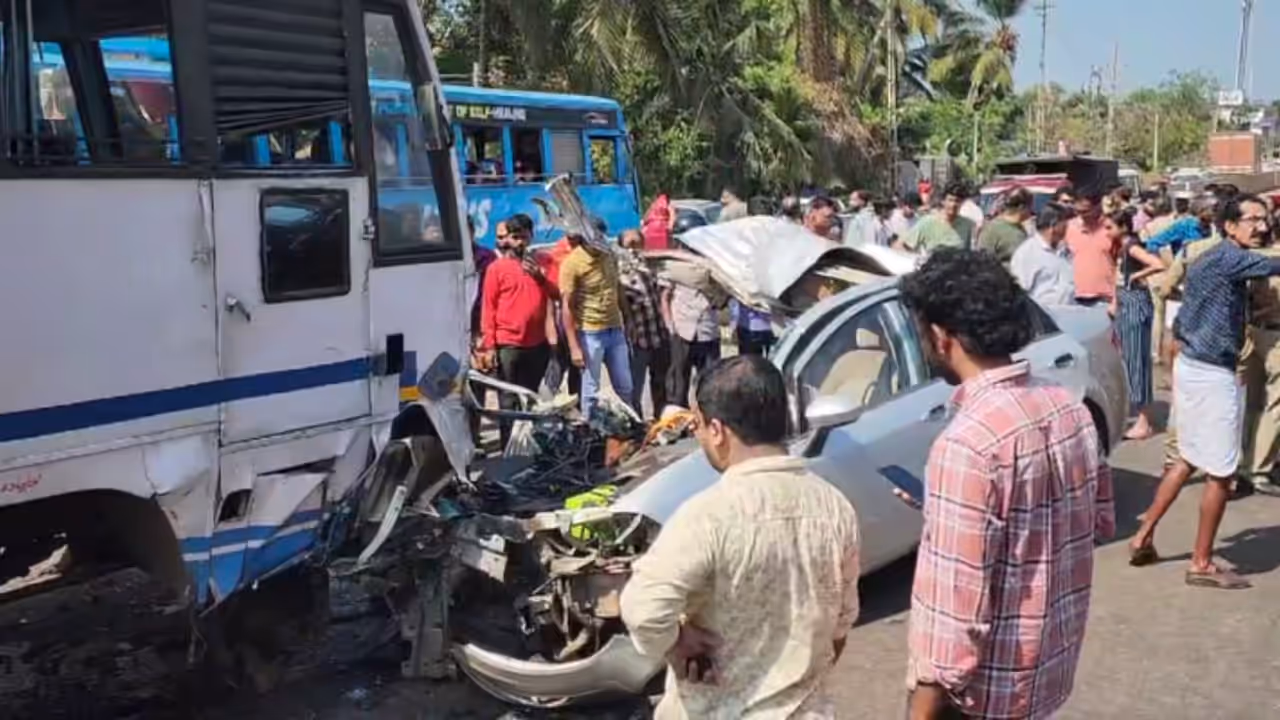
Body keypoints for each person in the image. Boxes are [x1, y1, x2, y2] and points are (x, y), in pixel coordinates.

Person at [900, 249, 1114, 720]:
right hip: (1047, 672)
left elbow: (951, 628)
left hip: (982, 695)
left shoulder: (968, 444)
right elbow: (1094, 521)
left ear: (940, 337)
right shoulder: (1069, 408)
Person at [620, 355, 860, 720]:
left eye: (698, 425)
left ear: (717, 430)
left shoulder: (708, 516)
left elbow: (643, 610)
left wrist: (676, 642)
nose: (698, 436)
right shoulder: (835, 508)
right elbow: (839, 628)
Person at [1129, 195, 1280, 589]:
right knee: (1222, 471)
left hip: (1194, 366)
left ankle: (1143, 536)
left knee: (1185, 460)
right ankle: (1201, 562)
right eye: (1252, 220)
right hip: (1212, 373)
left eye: (1264, 220)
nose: (1261, 227)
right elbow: (1274, 262)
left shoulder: (1209, 256)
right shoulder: (1231, 258)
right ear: (1229, 226)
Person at [479, 216, 560, 447]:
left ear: (531, 236)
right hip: (508, 345)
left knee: (531, 397)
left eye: (523, 237)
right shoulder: (496, 268)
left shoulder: (544, 263)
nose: (519, 242)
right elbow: (488, 307)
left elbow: (557, 295)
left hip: (537, 344)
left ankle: (528, 447)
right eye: (514, 238)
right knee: (507, 401)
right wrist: (489, 346)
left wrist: (539, 277)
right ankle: (508, 449)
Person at [558, 223, 635, 418]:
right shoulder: (573, 263)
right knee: (591, 388)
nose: (600, 240)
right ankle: (591, 428)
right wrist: (574, 346)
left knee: (625, 385)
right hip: (590, 332)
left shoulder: (608, 256)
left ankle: (626, 425)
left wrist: (628, 318)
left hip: (615, 329)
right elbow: (567, 307)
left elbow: (617, 289)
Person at [1107, 209, 1166, 440]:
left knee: (1136, 362)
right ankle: (1141, 416)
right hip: (1125, 303)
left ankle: (1144, 421)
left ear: (1122, 227)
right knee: (1129, 360)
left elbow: (1157, 263)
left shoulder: (1131, 246)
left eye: (1110, 227)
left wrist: (1137, 275)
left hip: (1134, 304)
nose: (1107, 232)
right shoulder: (1122, 247)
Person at [617, 229, 669, 418]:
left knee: (661, 382)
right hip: (637, 339)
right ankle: (636, 423)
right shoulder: (619, 271)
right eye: (630, 244)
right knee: (633, 387)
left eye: (637, 243)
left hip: (658, 334)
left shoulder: (649, 266)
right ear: (622, 246)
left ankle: (661, 419)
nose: (634, 248)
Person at [662, 275, 721, 408]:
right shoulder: (679, 269)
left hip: (708, 332)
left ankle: (706, 419)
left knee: (710, 382)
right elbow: (665, 296)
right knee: (678, 383)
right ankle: (679, 419)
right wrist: (670, 326)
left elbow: (724, 298)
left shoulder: (713, 268)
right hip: (682, 331)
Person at [1010, 202, 1076, 306]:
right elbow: (1020, 292)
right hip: (1042, 316)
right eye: (1064, 224)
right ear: (1053, 225)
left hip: (1067, 314)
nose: (1067, 228)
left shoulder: (1065, 251)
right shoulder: (1027, 253)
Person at [1065, 189, 1118, 311]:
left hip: (1106, 297)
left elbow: (1121, 264)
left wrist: (1116, 299)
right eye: (1077, 211)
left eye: (1085, 211)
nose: (1081, 215)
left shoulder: (1111, 228)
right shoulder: (1068, 228)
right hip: (1075, 298)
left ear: (1098, 206)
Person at [898, 181, 977, 253]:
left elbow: (968, 254)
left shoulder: (967, 225)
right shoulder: (927, 222)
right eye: (950, 200)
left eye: (957, 201)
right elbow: (903, 246)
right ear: (943, 201)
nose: (953, 205)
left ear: (962, 203)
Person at [977, 187, 1032, 263]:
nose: (1031, 211)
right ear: (1022, 208)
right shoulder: (992, 230)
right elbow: (982, 261)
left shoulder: (1021, 228)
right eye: (1030, 207)